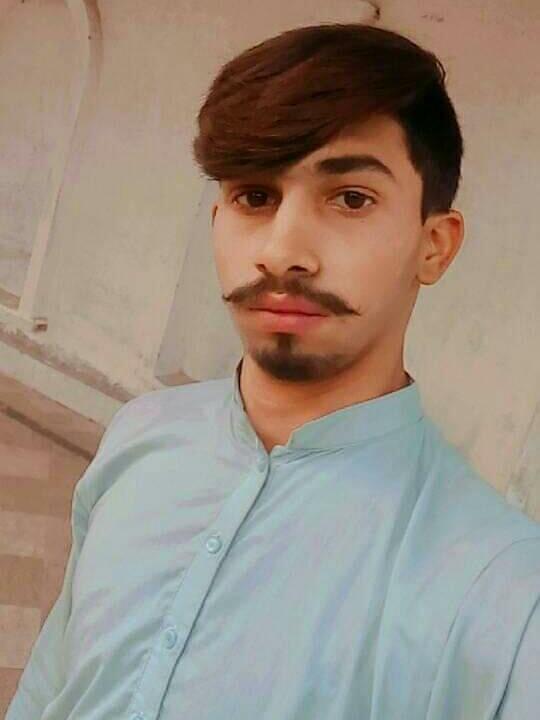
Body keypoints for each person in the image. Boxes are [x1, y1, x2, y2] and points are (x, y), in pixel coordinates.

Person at [7, 21, 540, 720]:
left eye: (351, 198)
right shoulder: (141, 435)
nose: (283, 252)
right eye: (254, 197)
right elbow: (51, 684)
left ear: (434, 246)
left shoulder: (500, 591)